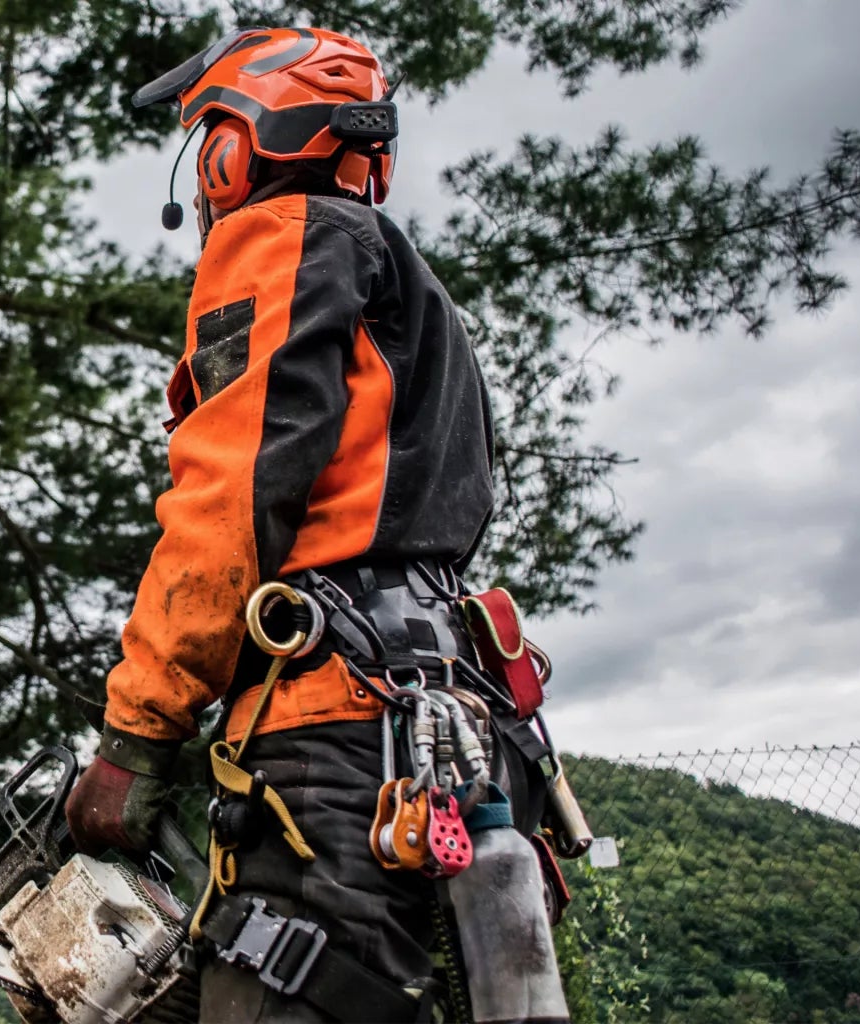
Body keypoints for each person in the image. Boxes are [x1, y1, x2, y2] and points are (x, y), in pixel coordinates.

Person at [65, 27, 559, 1022]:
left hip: (330, 737)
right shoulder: (413, 297)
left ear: (231, 145)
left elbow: (229, 495)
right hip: (448, 730)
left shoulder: (279, 235)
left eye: (204, 140)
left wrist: (135, 733)